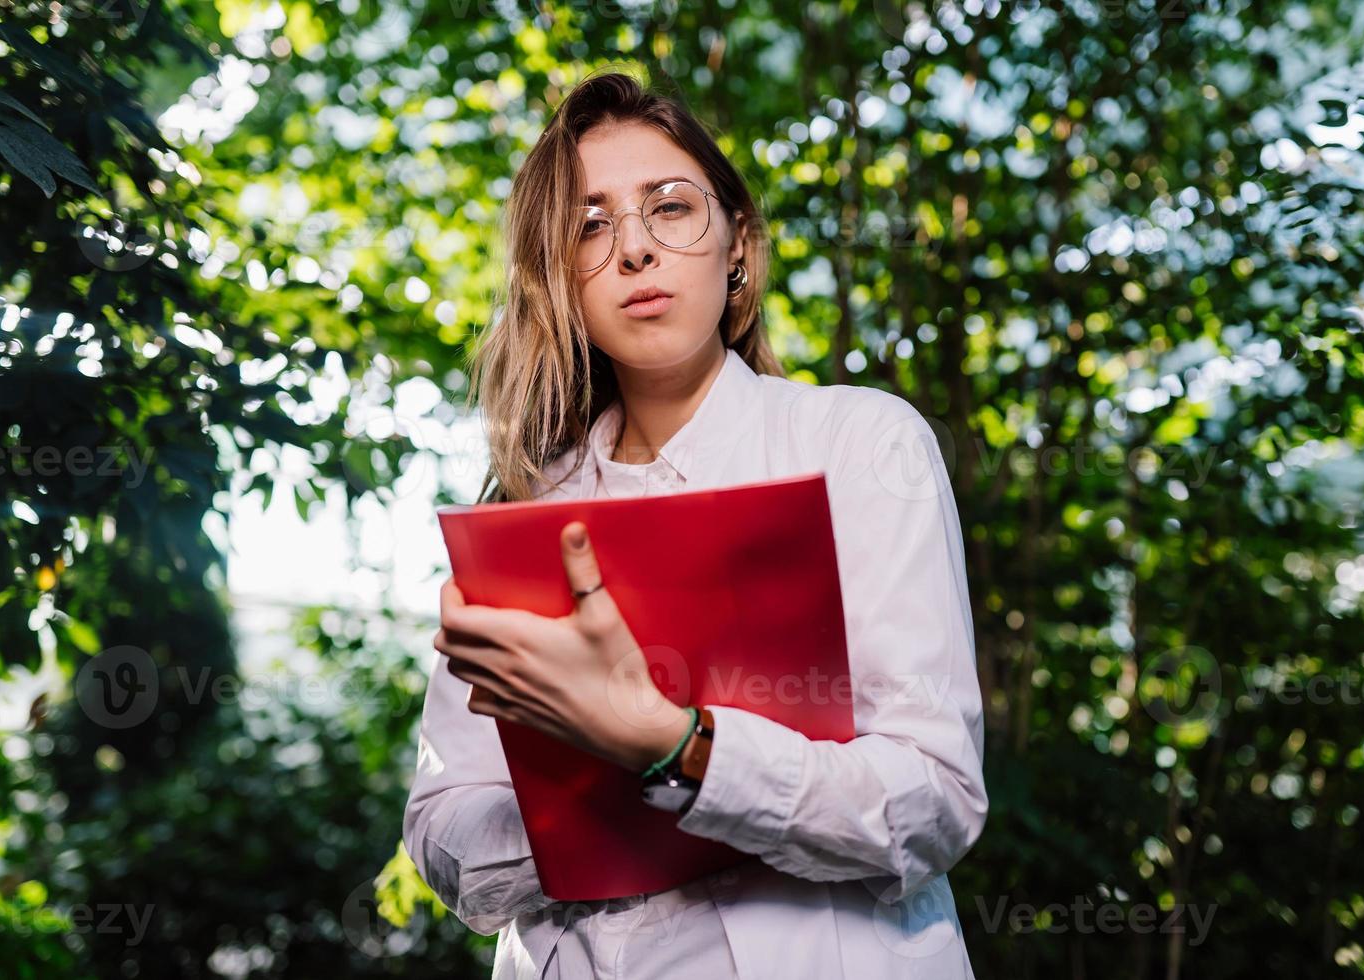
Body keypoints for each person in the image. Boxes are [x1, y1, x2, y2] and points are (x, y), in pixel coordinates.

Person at [402, 65, 988, 979]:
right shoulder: (521, 514)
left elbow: (935, 803)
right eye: (589, 225)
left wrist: (673, 746)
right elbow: (445, 839)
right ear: (560, 278)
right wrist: (594, 780)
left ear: (738, 243)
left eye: (670, 208)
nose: (633, 249)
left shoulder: (862, 444)